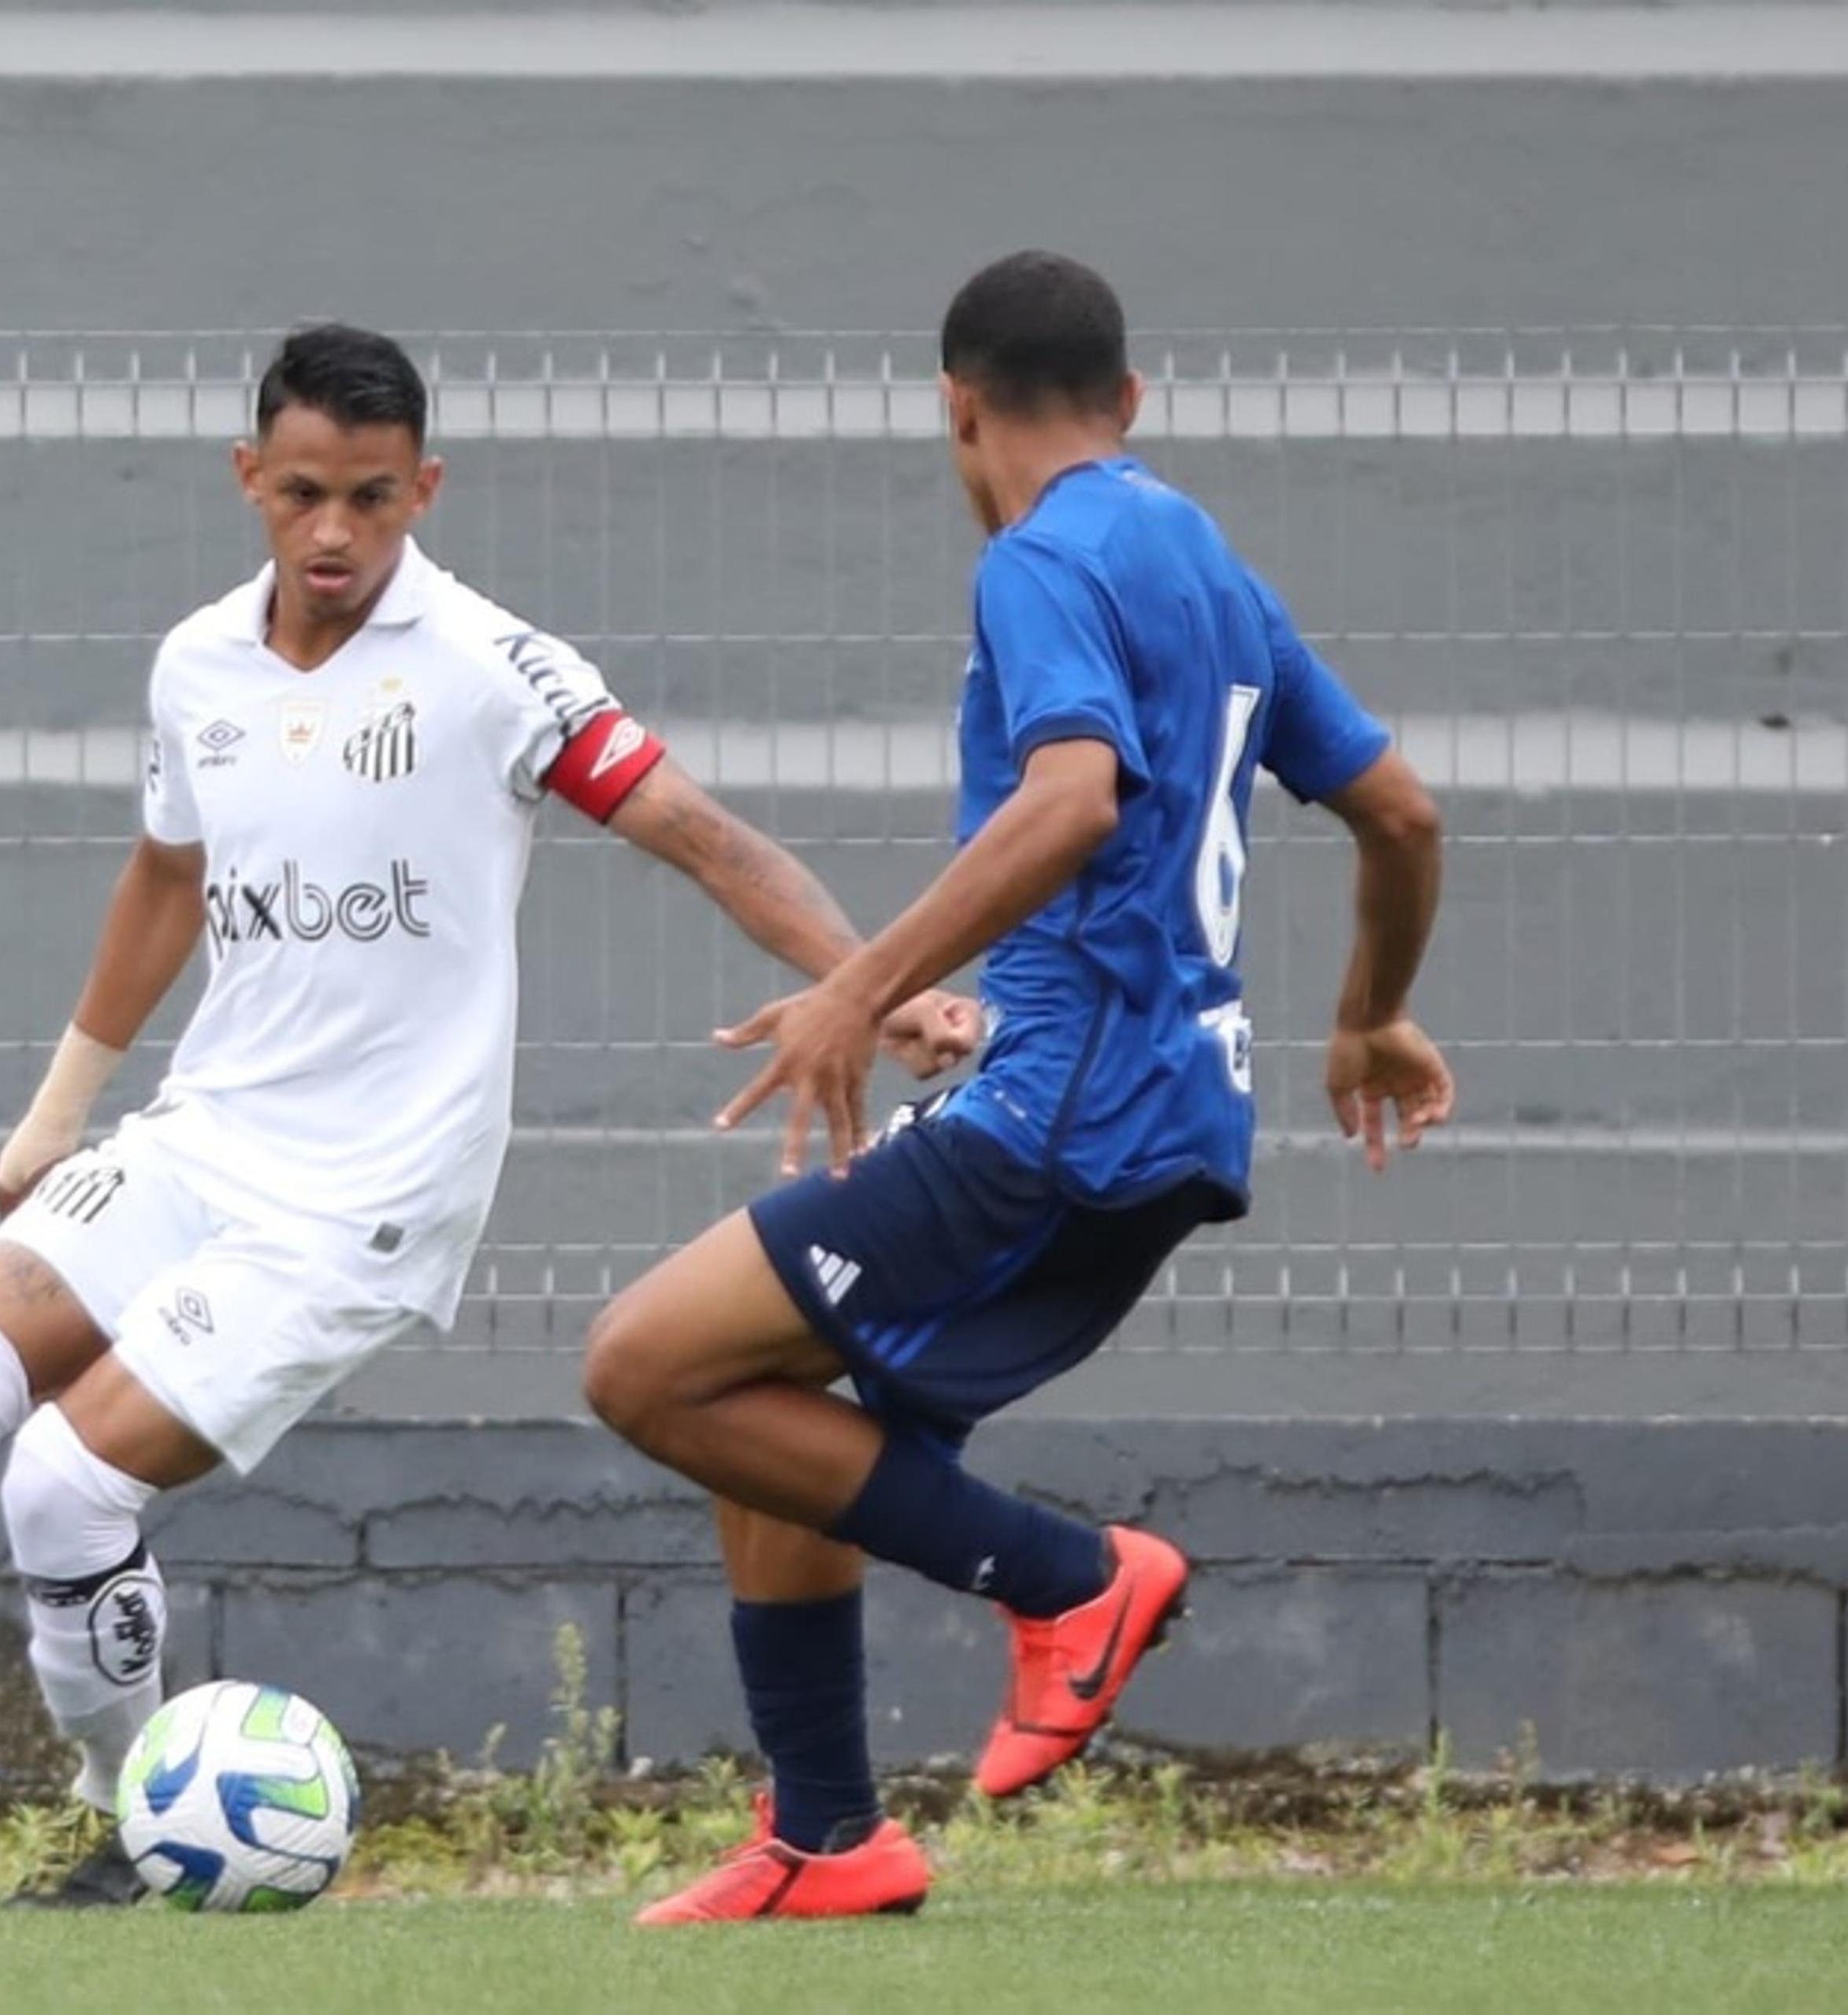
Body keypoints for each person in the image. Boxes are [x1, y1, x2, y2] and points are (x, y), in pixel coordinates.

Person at [0, 322, 881, 1905]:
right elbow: (168, 877)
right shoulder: (199, 663)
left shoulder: (491, 667)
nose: (337, 533)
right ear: (249, 476)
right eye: (307, 493)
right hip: (204, 1142)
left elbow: (698, 832)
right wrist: (60, 1108)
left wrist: (875, 982)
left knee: (62, 1485)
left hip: (366, 1196)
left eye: (376, 500)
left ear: (427, 491)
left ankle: (134, 1819)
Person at [583, 251, 1455, 1925]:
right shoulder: (1199, 554)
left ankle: (1076, 1583)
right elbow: (1402, 813)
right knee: (787, 1432)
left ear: (955, 406)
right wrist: (1370, 1015)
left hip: (1059, 1115)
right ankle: (828, 1839)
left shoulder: (1042, 561)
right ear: (1128, 402)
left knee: (644, 1365)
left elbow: (1069, 802)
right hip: (1166, 1113)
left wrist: (858, 985)